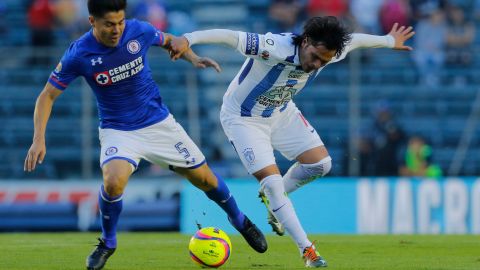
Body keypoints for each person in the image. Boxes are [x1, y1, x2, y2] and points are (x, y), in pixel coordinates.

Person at [23, 1, 267, 270]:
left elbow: (171, 41)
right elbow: (47, 95)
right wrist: (38, 138)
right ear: (92, 21)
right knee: (114, 181)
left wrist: (193, 57)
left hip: (159, 124)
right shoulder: (78, 53)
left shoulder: (138, 30)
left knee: (205, 178)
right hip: (119, 131)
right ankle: (108, 242)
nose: (116, 30)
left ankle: (240, 220)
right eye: (109, 24)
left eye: (120, 22)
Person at [169, 16, 415, 267]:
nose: (317, 64)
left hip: (281, 112)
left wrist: (388, 40)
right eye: (316, 57)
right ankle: (308, 251)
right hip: (243, 119)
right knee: (273, 185)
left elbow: (355, 40)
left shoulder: (331, 50)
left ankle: (275, 200)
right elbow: (230, 36)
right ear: (306, 40)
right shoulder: (274, 45)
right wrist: (189, 39)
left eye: (324, 61)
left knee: (321, 165)